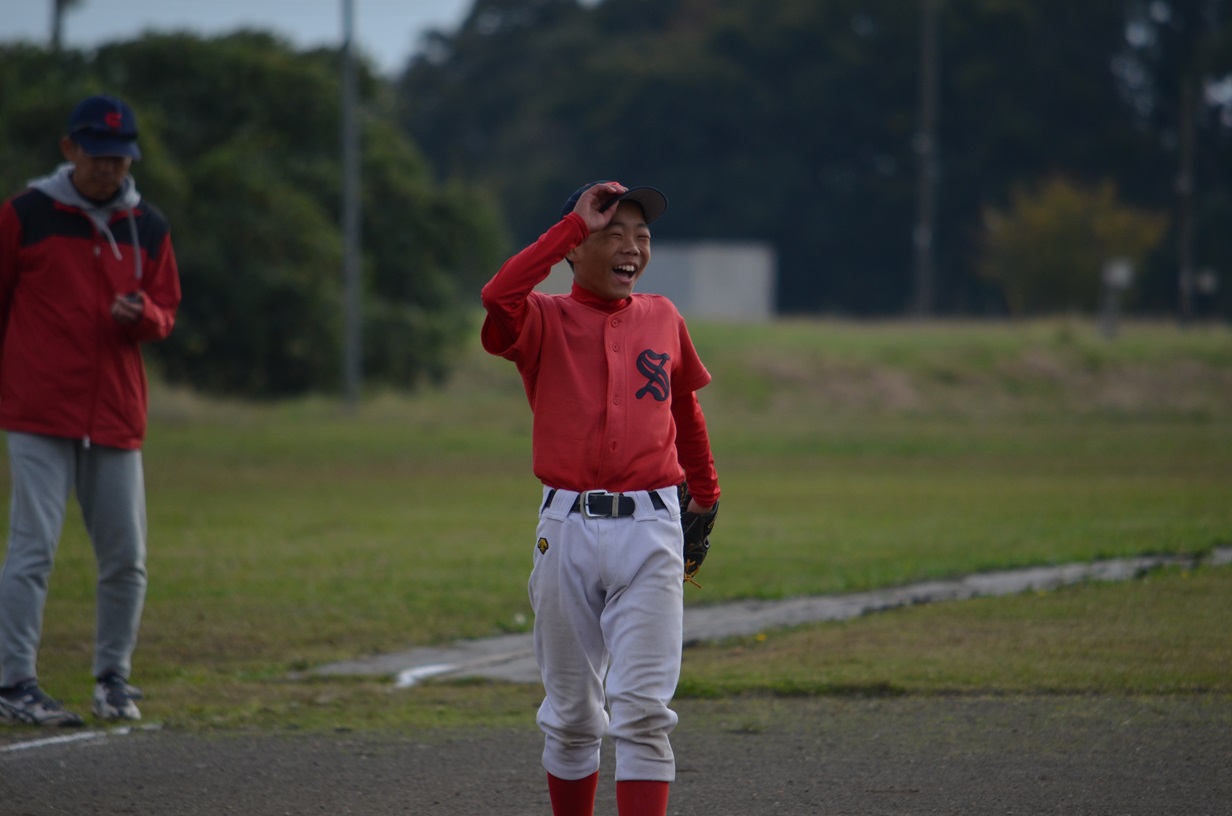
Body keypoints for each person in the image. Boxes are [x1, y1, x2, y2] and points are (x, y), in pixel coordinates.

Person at [480, 180, 720, 816]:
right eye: (611, 233)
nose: (631, 248)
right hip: (567, 529)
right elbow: (497, 295)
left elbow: (685, 408)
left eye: (641, 236)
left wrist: (706, 493)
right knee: (571, 715)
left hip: (652, 528)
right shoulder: (542, 320)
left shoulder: (663, 316)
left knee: (643, 712)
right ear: (573, 249)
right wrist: (567, 226)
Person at [0, 94, 181, 727]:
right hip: (38, 409)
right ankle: (15, 681)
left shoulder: (149, 226)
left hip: (115, 413)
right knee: (33, 549)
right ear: (70, 149)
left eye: (120, 158)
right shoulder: (25, 215)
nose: (110, 170)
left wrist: (146, 318)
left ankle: (112, 679)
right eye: (98, 156)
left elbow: (167, 309)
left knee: (126, 557)